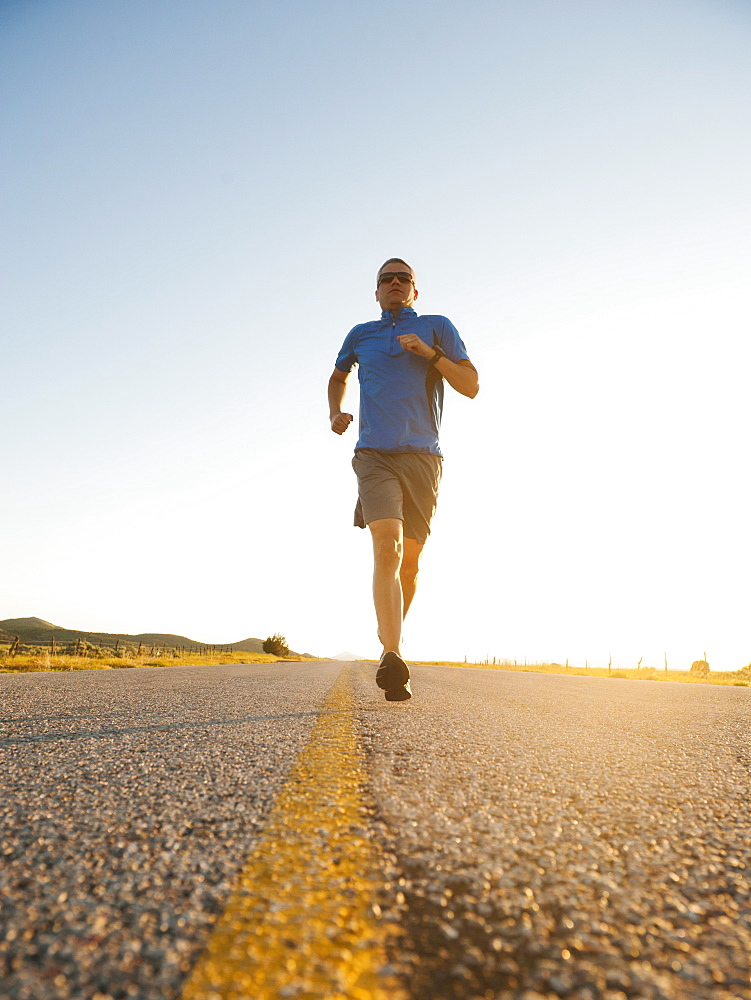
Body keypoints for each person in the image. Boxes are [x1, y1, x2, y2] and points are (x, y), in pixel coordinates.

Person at [328, 258, 479, 701]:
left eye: (403, 278)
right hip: (373, 454)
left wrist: (430, 354)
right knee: (387, 544)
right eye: (385, 279)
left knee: (409, 564)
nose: (394, 283)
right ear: (376, 293)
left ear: (415, 290)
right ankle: (393, 657)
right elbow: (337, 377)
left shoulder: (437, 327)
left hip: (423, 457)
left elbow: (470, 385)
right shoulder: (361, 335)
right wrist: (335, 412)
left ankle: (387, 632)